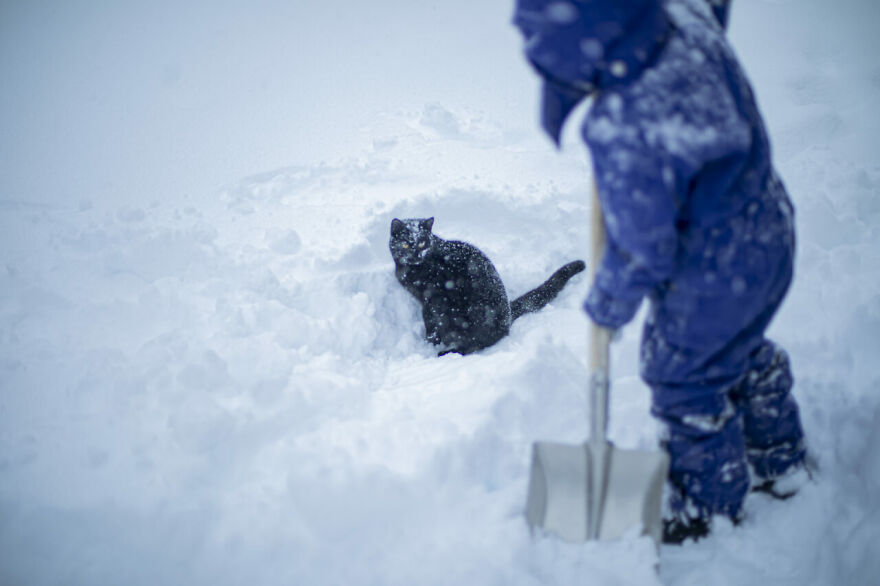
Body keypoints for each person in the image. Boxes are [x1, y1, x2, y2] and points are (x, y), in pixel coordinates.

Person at [513, 0, 809, 543]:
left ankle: (708, 508)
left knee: (682, 375)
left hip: (713, 269)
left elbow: (642, 249)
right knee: (733, 346)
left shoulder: (629, 124)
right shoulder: (681, 22)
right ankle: (779, 459)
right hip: (768, 232)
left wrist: (607, 305)